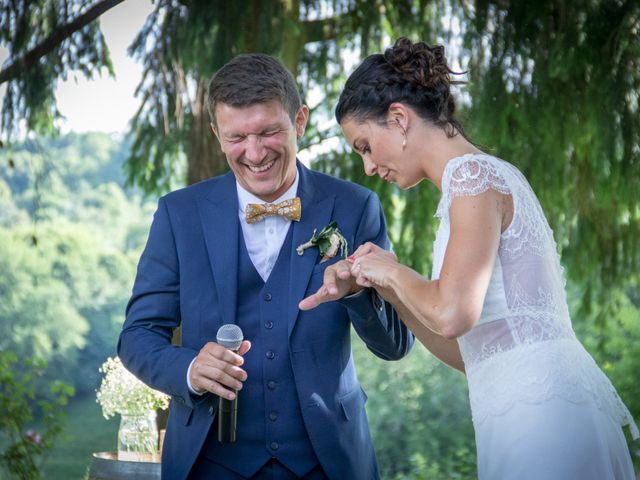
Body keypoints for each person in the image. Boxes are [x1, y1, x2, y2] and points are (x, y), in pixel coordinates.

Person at [300, 37, 638, 479]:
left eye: (365, 145)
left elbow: (453, 312)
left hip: (542, 421)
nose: (367, 167)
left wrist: (393, 269)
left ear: (398, 119)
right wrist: (387, 286)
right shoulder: (475, 180)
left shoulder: (472, 177)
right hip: (517, 409)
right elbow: (468, 353)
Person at [118, 53, 414, 480]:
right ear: (216, 134)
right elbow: (137, 336)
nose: (254, 153)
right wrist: (189, 369)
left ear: (300, 121)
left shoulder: (354, 206)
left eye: (268, 132)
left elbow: (395, 345)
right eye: (236, 137)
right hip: (209, 462)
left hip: (328, 461)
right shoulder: (178, 214)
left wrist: (358, 296)